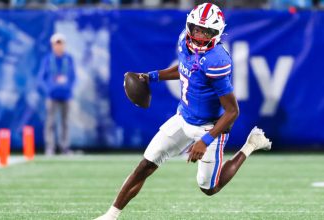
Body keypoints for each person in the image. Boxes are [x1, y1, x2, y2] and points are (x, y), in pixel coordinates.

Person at [95, 3, 271, 219]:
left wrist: (205, 140)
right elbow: (186, 69)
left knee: (209, 188)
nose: (198, 35)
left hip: (210, 127)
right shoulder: (183, 41)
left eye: (206, 31)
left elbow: (232, 111)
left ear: (217, 33)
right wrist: (152, 76)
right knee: (146, 164)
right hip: (183, 117)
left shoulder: (217, 60)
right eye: (196, 29)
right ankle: (110, 216)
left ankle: (251, 145)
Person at [38, 33, 76, 156]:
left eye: (61, 43)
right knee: (50, 122)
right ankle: (50, 148)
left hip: (66, 96)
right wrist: (48, 89)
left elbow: (73, 77)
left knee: (65, 123)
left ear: (64, 45)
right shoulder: (47, 59)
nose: (58, 46)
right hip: (52, 96)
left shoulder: (69, 59)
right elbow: (41, 78)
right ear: (53, 45)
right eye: (56, 44)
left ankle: (65, 147)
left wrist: (69, 88)